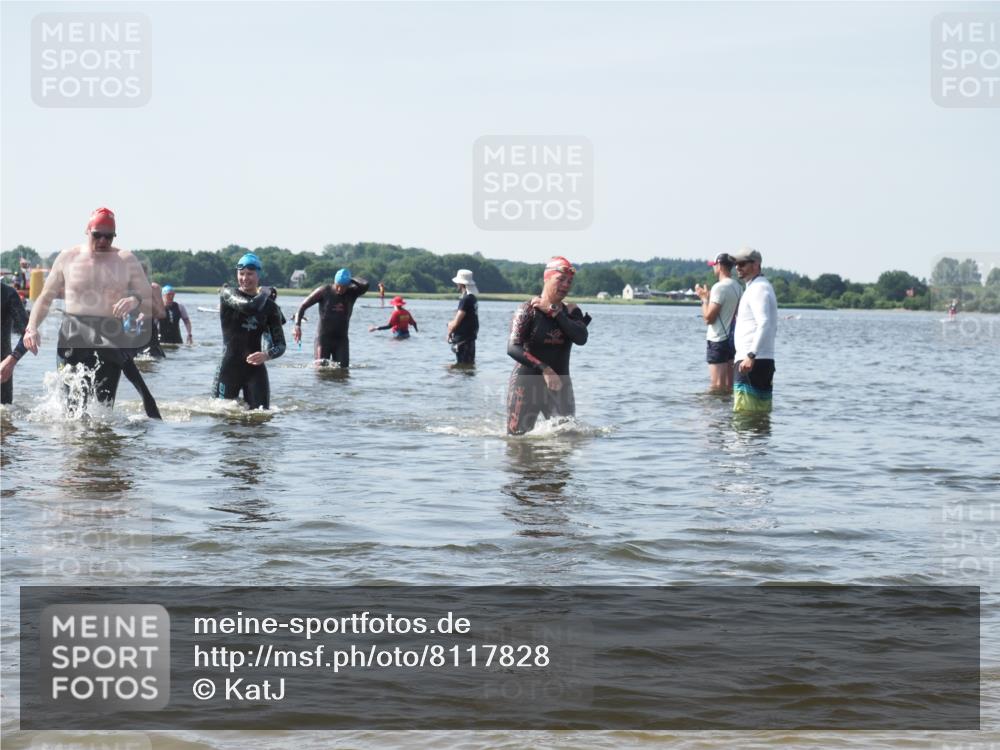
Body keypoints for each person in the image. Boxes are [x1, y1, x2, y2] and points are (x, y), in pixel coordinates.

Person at [20, 207, 160, 416]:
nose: (103, 241)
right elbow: (45, 298)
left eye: (109, 237)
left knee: (103, 411)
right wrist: (31, 328)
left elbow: (153, 304)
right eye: (97, 235)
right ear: (87, 230)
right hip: (73, 334)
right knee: (72, 412)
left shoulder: (126, 260)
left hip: (111, 336)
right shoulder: (68, 257)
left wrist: (134, 300)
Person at [505, 256, 591, 435]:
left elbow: (581, 338)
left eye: (569, 281)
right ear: (547, 278)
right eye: (561, 279)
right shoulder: (527, 310)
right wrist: (545, 369)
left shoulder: (571, 312)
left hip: (560, 385)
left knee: (566, 436)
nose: (566, 285)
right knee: (518, 441)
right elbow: (513, 348)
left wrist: (554, 311)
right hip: (526, 384)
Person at [213, 253, 286, 410]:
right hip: (229, 368)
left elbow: (280, 345)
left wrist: (267, 355)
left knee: (261, 416)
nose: (245, 278)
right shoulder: (227, 294)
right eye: (241, 274)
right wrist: (265, 294)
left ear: (258, 275)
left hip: (255, 369)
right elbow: (249, 307)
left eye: (250, 274)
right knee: (222, 418)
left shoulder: (270, 307)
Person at [731, 247, 777, 413]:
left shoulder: (758, 289)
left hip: (751, 362)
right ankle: (760, 440)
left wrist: (751, 355)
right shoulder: (757, 287)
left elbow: (764, 323)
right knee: (759, 416)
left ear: (756, 265)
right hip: (758, 359)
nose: (737, 267)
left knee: (744, 414)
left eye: (742, 263)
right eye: (736, 264)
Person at [292, 268, 369, 367]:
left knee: (343, 370)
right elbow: (303, 306)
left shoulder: (352, 292)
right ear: (334, 282)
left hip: (341, 340)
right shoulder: (324, 291)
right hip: (323, 339)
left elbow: (366, 284)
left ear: (349, 285)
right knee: (321, 370)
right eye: (338, 286)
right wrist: (297, 326)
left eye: (343, 287)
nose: (340, 289)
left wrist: (350, 279)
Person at [694, 253, 742, 391]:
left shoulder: (719, 287)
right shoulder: (738, 287)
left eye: (714, 265)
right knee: (729, 387)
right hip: (732, 340)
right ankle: (727, 412)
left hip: (717, 340)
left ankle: (715, 413)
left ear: (720, 266)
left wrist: (704, 299)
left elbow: (709, 318)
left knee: (716, 387)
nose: (713, 268)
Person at [0, 281, 29, 405]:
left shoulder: (7, 294)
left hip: (2, 371)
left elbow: (28, 335)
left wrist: (13, 359)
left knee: (4, 417)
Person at [447, 269, 479, 365]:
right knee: (469, 367)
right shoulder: (472, 298)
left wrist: (449, 328)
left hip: (463, 340)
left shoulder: (465, 299)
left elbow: (456, 322)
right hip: (470, 339)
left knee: (461, 367)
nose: (457, 285)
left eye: (458, 283)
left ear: (461, 284)